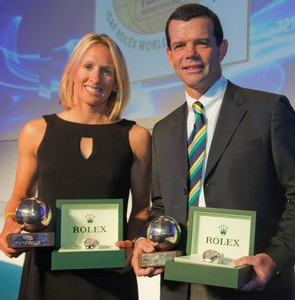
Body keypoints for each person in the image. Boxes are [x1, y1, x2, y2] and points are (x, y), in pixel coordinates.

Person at [132, 3, 295, 300]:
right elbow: (161, 206)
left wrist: (274, 258)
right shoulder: (164, 130)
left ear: (222, 49)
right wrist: (147, 240)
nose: (189, 54)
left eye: (202, 43)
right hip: (179, 287)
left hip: (251, 285)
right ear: (170, 56)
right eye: (179, 45)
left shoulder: (268, 111)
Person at [0, 33, 151, 300]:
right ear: (72, 71)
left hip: (109, 276)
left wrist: (129, 245)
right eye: (88, 66)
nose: (96, 78)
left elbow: (141, 210)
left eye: (107, 71)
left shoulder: (136, 136)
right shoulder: (36, 131)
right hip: (47, 272)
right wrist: (10, 223)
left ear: (117, 82)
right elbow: (20, 197)